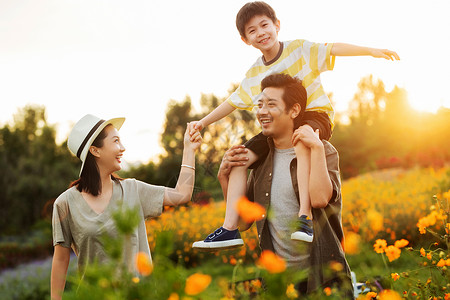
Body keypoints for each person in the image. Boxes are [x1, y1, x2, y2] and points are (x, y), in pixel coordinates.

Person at [191, 1, 399, 249]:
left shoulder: (300, 49)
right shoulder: (254, 73)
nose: (261, 33)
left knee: (302, 137)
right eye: (252, 30)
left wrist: (371, 50)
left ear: (277, 25)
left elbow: (332, 48)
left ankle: (304, 217)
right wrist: (202, 122)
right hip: (278, 125)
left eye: (264, 25)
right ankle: (229, 228)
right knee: (238, 158)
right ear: (245, 40)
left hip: (313, 115)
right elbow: (232, 102)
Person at [218, 74, 353, 296]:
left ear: (294, 110)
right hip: (279, 285)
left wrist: (317, 148)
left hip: (325, 281)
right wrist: (224, 179)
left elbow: (319, 198)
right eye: (260, 104)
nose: (262, 111)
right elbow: (243, 222)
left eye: (271, 104)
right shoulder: (261, 162)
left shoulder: (323, 150)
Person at [50, 114, 202, 300]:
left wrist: (189, 148)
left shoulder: (133, 190)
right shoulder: (65, 203)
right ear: (95, 151)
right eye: (115, 141)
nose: (122, 148)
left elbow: (182, 194)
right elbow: (60, 259)